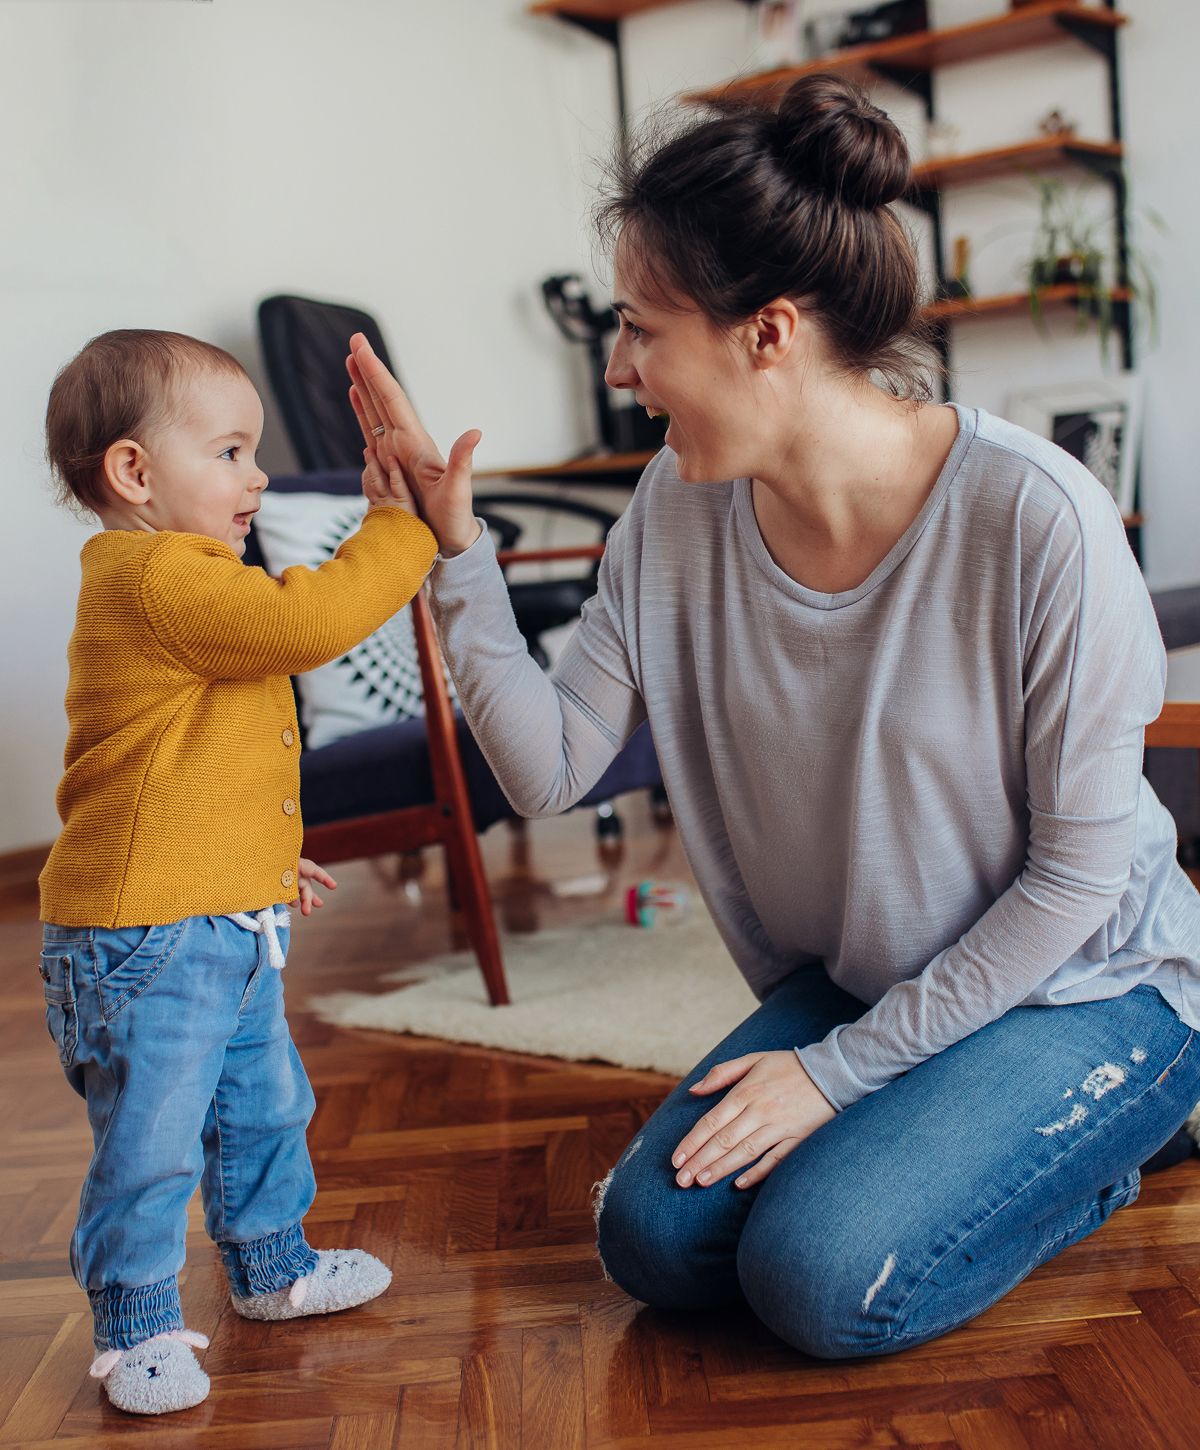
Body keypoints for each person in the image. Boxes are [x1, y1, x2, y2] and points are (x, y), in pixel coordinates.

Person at [347, 72, 1200, 1359]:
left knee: (819, 1275)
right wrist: (452, 556)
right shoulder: (672, 515)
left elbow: (1077, 878)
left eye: (641, 330)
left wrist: (837, 1074)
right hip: (873, 980)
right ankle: (972, 1140)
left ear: (770, 331)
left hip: (1095, 981)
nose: (623, 369)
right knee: (651, 1239)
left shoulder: (1035, 519)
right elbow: (548, 770)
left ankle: (1119, 1130)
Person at [38, 329, 436, 1413]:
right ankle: (137, 1324)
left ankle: (271, 1267)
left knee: (263, 1105)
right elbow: (309, 622)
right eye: (229, 451)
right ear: (133, 473)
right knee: (155, 1141)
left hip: (220, 917)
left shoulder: (186, 578)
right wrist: (399, 531)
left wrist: (261, 858)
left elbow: (190, 755)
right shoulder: (159, 575)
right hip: (143, 939)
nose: (257, 475)